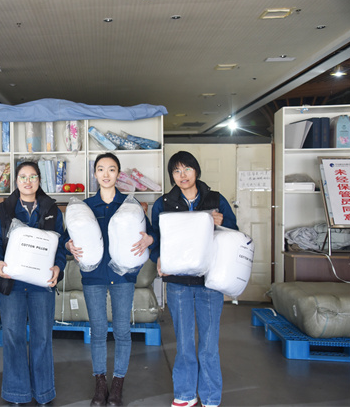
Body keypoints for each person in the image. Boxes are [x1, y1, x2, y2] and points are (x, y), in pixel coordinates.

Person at [65, 152, 154, 406]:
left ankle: (117, 384)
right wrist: (68, 245)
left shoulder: (130, 206)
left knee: (123, 331)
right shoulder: (84, 207)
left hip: (122, 276)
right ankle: (100, 383)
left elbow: (149, 232)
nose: (106, 174)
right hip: (93, 276)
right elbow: (66, 238)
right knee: (98, 331)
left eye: (111, 169)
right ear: (95, 174)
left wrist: (150, 239)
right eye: (101, 169)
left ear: (118, 174)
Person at [150, 151, 238, 407]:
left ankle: (210, 396)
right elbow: (155, 238)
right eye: (177, 171)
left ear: (196, 171)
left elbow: (234, 233)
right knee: (184, 342)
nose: (183, 175)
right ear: (172, 176)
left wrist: (222, 222)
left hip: (210, 281)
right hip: (178, 283)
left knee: (209, 343)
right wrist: (158, 258)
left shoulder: (215, 199)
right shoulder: (164, 203)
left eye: (187, 169)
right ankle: (185, 393)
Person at [0, 161, 68, 405]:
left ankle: (44, 392)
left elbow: (60, 245)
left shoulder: (52, 209)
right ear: (16, 181)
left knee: (42, 336)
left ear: (39, 180)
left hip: (41, 284)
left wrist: (58, 267)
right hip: (11, 283)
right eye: (23, 176)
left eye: (33, 177)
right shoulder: (3, 210)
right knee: (13, 336)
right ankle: (16, 392)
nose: (28, 181)